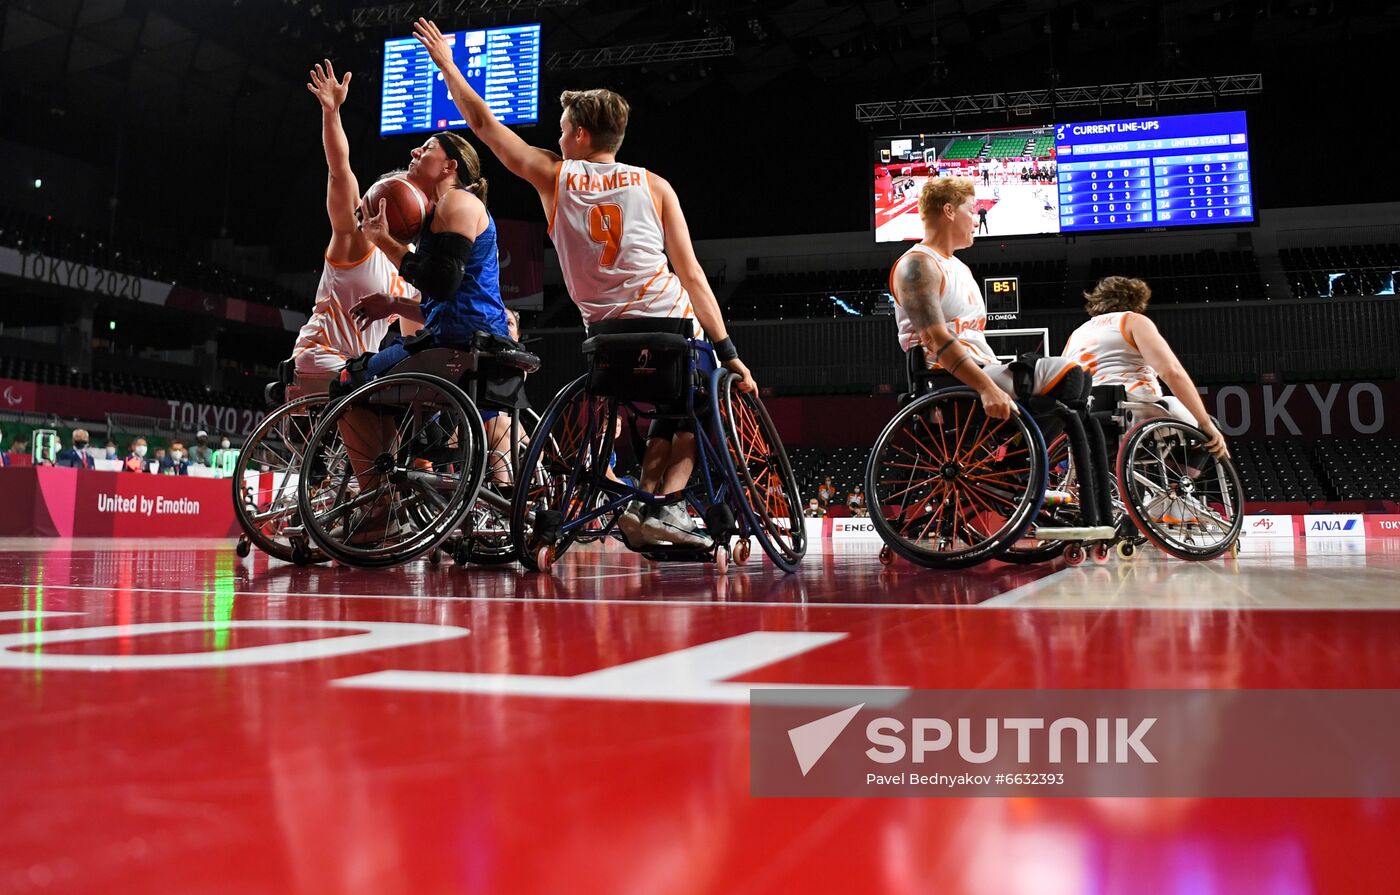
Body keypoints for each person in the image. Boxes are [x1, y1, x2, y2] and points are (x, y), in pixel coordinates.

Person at [412, 18, 755, 549]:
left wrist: (448, 64)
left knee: (671, 406)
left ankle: (649, 504)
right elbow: (691, 273)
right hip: (669, 323)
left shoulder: (555, 176)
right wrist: (728, 349)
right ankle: (666, 504)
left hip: (604, 337)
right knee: (692, 407)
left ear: (580, 135)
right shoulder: (656, 185)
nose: (556, 135)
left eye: (562, 126)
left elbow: (481, 124)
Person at [889, 176, 1088, 422]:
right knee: (1069, 374)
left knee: (1084, 379)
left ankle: (1030, 453)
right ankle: (1021, 455)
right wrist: (986, 387)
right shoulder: (917, 264)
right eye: (972, 210)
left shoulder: (959, 267)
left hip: (979, 371)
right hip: (947, 380)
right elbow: (933, 338)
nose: (976, 220)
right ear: (949, 211)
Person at [289, 59, 421, 394]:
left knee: (416, 390)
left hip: (361, 367)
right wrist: (331, 112)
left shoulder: (411, 261)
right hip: (321, 357)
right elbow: (339, 170)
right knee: (380, 389)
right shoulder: (354, 239)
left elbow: (411, 334)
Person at [1061, 276, 1229, 459]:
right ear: (1136, 300)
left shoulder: (1076, 334)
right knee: (1208, 428)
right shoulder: (1133, 321)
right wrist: (1204, 422)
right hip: (1132, 409)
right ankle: (1181, 485)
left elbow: (1063, 382)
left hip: (1087, 414)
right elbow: (1172, 372)